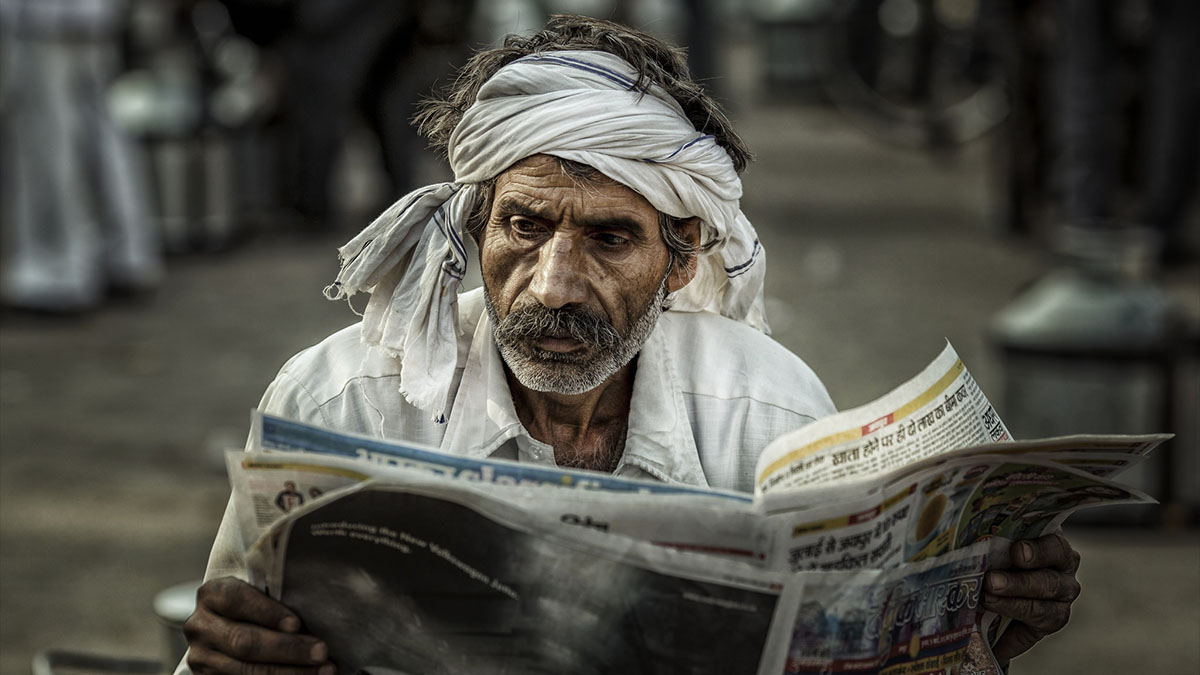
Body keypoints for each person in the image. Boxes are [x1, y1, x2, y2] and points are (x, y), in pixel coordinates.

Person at [180, 16, 1081, 675]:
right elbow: (228, 638)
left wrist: (983, 630)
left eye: (609, 239)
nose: (552, 285)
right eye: (524, 226)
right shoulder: (341, 400)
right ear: (476, 225)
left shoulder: (771, 415)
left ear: (683, 257)